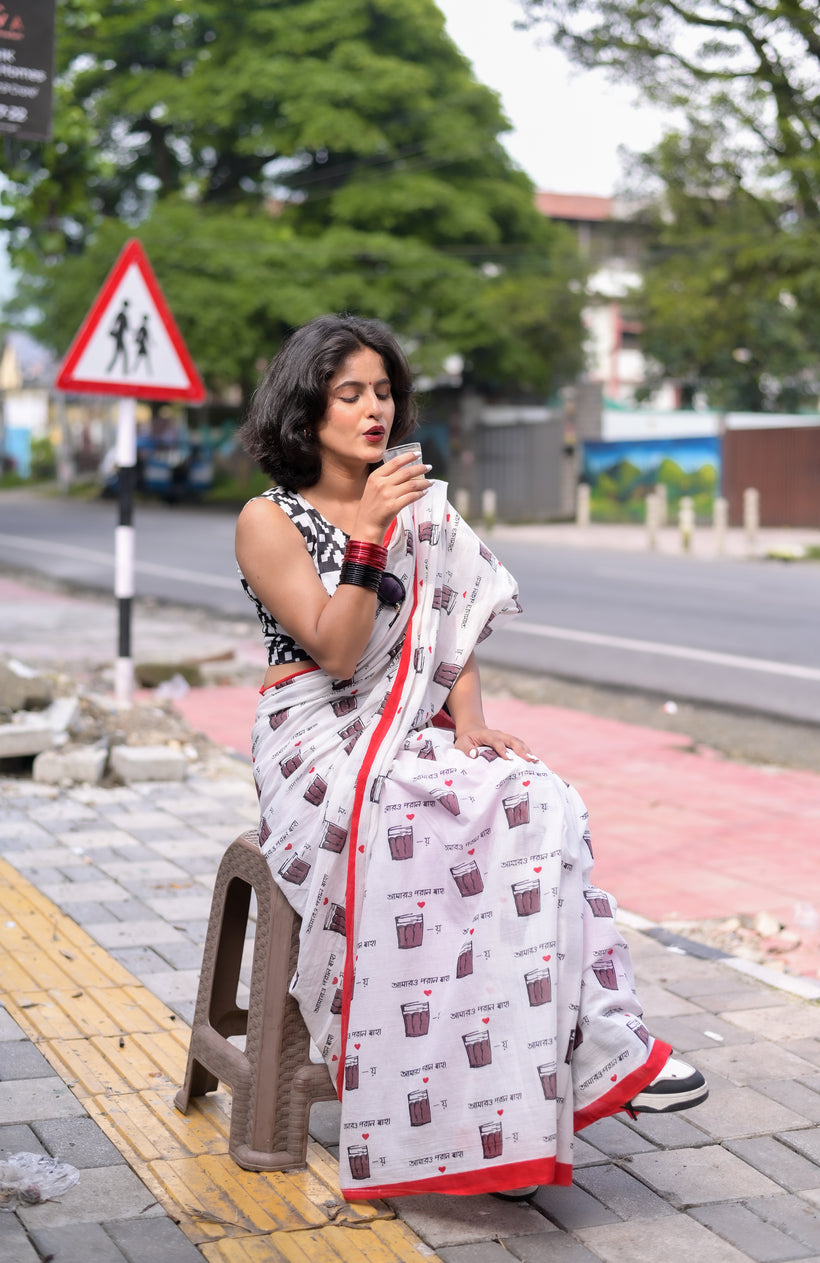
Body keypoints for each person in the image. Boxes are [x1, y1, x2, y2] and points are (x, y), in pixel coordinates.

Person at [235, 314, 707, 1202]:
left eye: (383, 392)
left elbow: (442, 625)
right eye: (351, 394)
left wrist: (472, 720)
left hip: (407, 722)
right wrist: (369, 534)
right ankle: (485, 1097)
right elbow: (339, 653)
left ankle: (576, 1052)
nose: (375, 410)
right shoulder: (270, 520)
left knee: (535, 796)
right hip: (312, 735)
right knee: (426, 823)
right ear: (307, 409)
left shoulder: (417, 503)